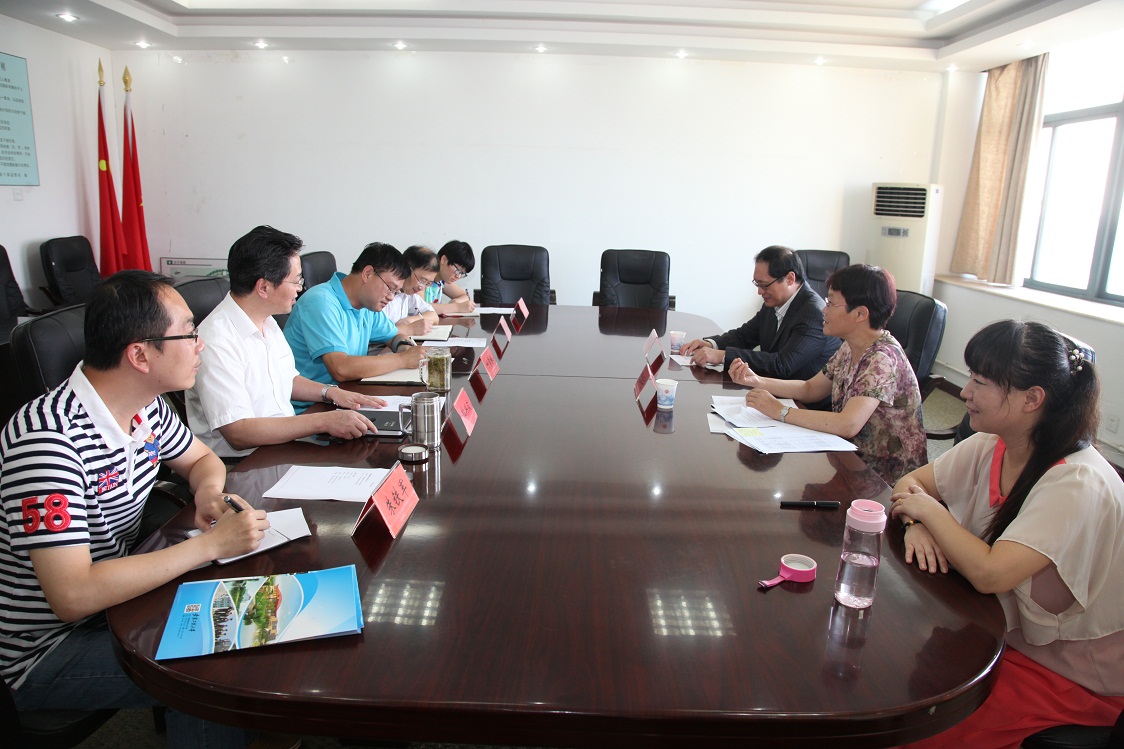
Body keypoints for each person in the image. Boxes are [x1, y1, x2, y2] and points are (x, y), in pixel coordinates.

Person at [0, 271, 270, 748]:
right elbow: (72, 595)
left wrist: (208, 493)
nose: (201, 344)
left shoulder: (145, 407)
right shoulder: (48, 443)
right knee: (208, 668)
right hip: (44, 649)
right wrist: (209, 545)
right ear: (140, 355)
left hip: (117, 600)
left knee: (241, 610)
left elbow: (202, 460)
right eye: (189, 333)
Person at [890, 320, 1124, 748]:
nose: (965, 392)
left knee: (915, 727)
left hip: (1068, 671)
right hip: (996, 629)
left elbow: (990, 574)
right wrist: (915, 523)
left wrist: (928, 512)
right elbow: (909, 483)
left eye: (980, 382)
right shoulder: (994, 442)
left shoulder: (1078, 481)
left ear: (1032, 399)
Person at [186, 226, 386, 458]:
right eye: (296, 280)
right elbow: (238, 432)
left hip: (282, 445)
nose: (300, 289)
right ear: (264, 287)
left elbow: (286, 378)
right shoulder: (216, 341)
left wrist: (330, 393)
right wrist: (323, 421)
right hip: (244, 463)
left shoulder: (266, 320)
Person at [729, 264, 926, 485]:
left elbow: (847, 424)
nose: (824, 309)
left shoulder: (882, 358)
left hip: (884, 479)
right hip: (849, 457)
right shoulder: (850, 346)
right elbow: (810, 389)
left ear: (860, 314)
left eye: (831, 303)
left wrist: (778, 411)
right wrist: (757, 380)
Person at [283, 241, 425, 411]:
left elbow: (393, 335)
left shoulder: (367, 304)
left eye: (396, 292)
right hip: (311, 408)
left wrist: (405, 347)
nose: (391, 297)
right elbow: (340, 368)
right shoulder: (321, 302)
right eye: (390, 288)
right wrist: (402, 360)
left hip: (346, 395)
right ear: (368, 273)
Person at [679, 245, 839, 380]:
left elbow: (783, 364)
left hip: (802, 402)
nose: (760, 292)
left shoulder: (813, 313)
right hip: (771, 388)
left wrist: (722, 356)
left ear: (790, 279)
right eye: (757, 284)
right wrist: (711, 344)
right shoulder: (774, 302)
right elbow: (744, 336)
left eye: (764, 285)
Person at [385, 244, 441, 337]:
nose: (422, 288)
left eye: (428, 283)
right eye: (422, 281)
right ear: (407, 269)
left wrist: (411, 320)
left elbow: (434, 316)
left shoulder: (408, 294)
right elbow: (378, 332)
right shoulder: (384, 293)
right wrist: (410, 328)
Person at [425, 239, 476, 315]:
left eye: (462, 273)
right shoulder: (423, 279)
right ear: (444, 259)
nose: (458, 276)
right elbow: (421, 307)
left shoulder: (441, 281)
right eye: (458, 270)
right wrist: (457, 307)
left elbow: (465, 297)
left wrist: (455, 301)